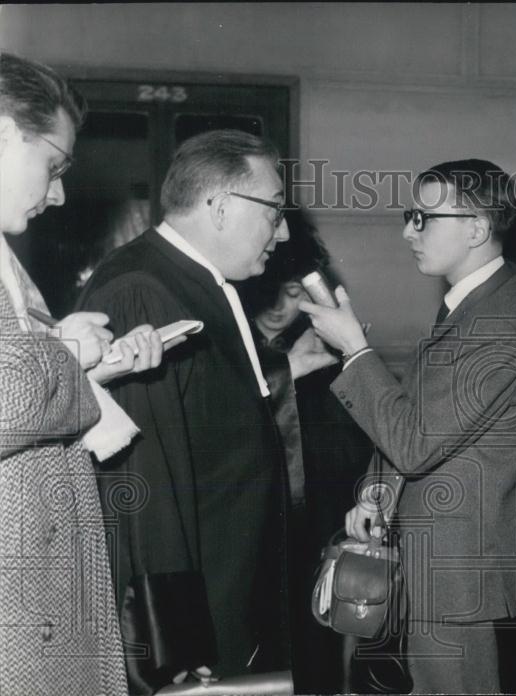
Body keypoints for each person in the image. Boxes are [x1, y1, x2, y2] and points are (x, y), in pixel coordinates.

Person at [300, 159, 516, 694]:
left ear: (478, 229)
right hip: (442, 563)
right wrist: (378, 490)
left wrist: (355, 349)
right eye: (410, 215)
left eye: (425, 217)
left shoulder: (500, 322)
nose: (408, 230)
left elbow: (414, 444)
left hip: (459, 571)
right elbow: (427, 419)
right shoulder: (472, 307)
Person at [75, 129, 293, 693]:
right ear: (221, 207)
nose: (284, 229)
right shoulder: (140, 290)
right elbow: (138, 483)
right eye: (274, 210)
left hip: (227, 592)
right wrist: (167, 639)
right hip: (194, 621)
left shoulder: (193, 281)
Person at [0, 52, 169, 696]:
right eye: (55, 165)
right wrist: (69, 356)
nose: (60, 191)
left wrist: (94, 364)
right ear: (5, 132)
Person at [238, 212, 372, 694]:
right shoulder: (232, 347)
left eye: (294, 293)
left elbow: (355, 456)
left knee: (315, 666)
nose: (278, 305)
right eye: (269, 290)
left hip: (312, 544)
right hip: (247, 547)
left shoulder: (327, 355)